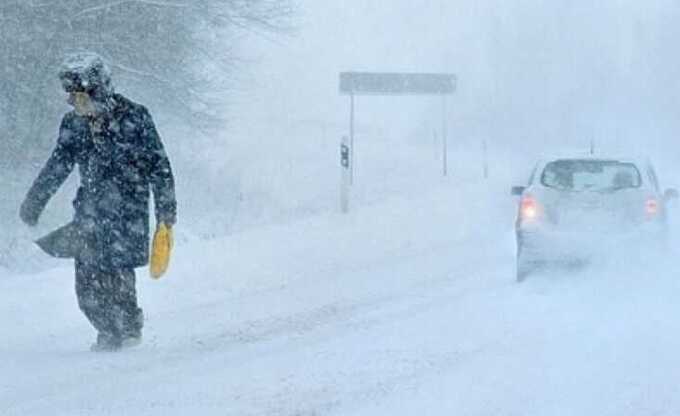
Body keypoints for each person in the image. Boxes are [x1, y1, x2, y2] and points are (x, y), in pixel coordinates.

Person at [19, 52, 177, 351]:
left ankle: (128, 329)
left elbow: (160, 167)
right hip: (89, 214)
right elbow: (58, 165)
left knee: (117, 275)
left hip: (127, 212)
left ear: (99, 90)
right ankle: (106, 330)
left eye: (80, 96)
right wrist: (34, 201)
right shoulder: (73, 125)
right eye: (71, 97)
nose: (75, 104)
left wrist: (165, 213)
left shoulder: (135, 117)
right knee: (87, 284)